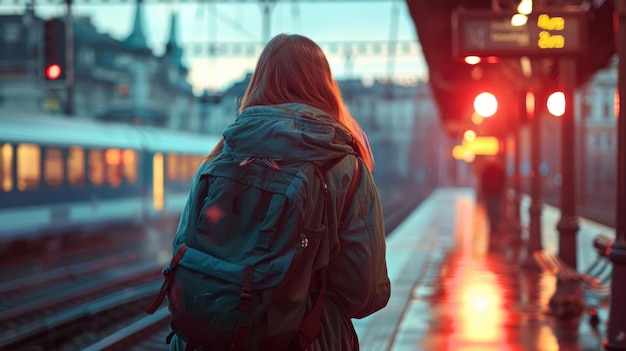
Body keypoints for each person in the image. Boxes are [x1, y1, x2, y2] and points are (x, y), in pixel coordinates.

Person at [170, 33, 390, 350]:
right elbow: (365, 293)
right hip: (306, 339)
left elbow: (184, 252)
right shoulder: (345, 168)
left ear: (258, 82)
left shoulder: (219, 157)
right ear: (325, 86)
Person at [480, 156, 507, 235]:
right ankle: (496, 226)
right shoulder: (499, 169)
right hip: (496, 193)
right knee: (496, 210)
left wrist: (484, 192)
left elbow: (483, 182)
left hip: (489, 194)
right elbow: (503, 181)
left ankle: (492, 226)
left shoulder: (486, 169)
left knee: (491, 210)